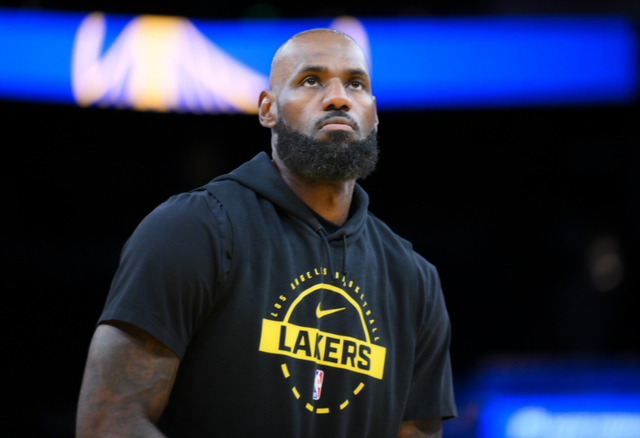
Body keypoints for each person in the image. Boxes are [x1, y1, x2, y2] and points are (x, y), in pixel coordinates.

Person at [76, 28, 457, 438]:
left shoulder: (415, 279)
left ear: (374, 115)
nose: (338, 98)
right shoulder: (194, 228)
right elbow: (108, 422)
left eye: (356, 84)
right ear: (267, 109)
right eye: (311, 80)